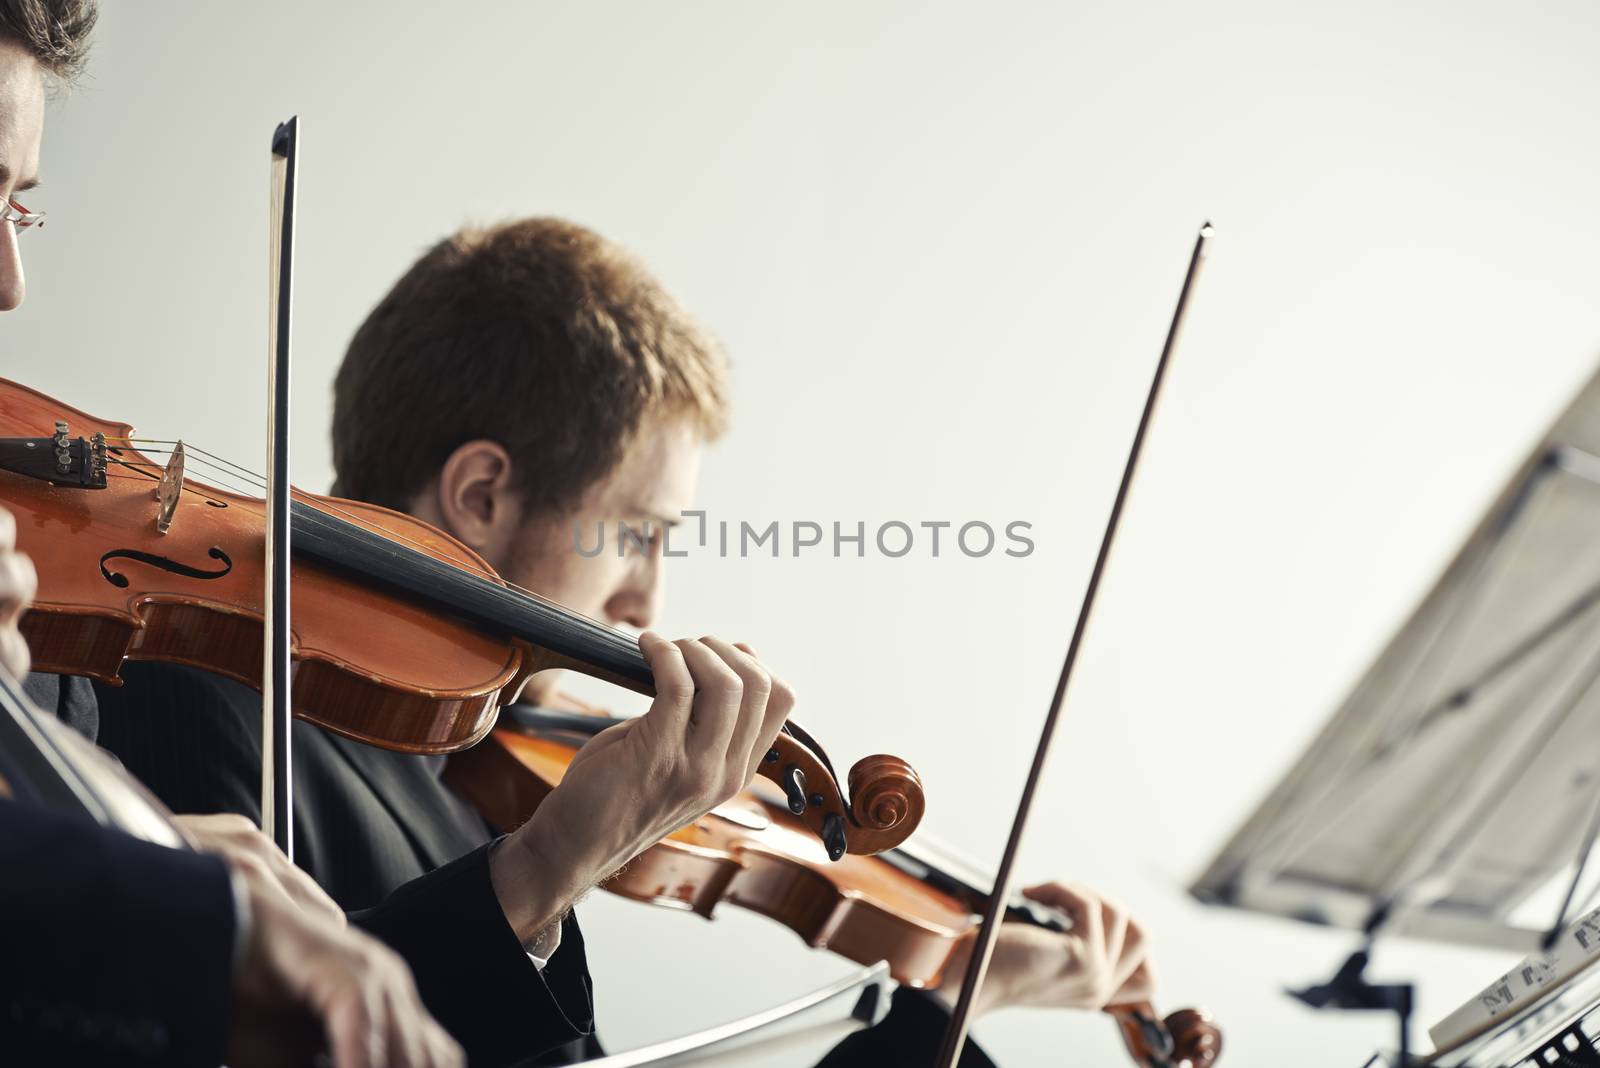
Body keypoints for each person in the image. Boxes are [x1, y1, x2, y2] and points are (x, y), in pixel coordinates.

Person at [99, 219, 1155, 1065]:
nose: (647, 599)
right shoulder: (194, 691)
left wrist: (951, 1001)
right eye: (637, 534)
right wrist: (548, 865)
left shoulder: (483, 760)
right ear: (481, 493)